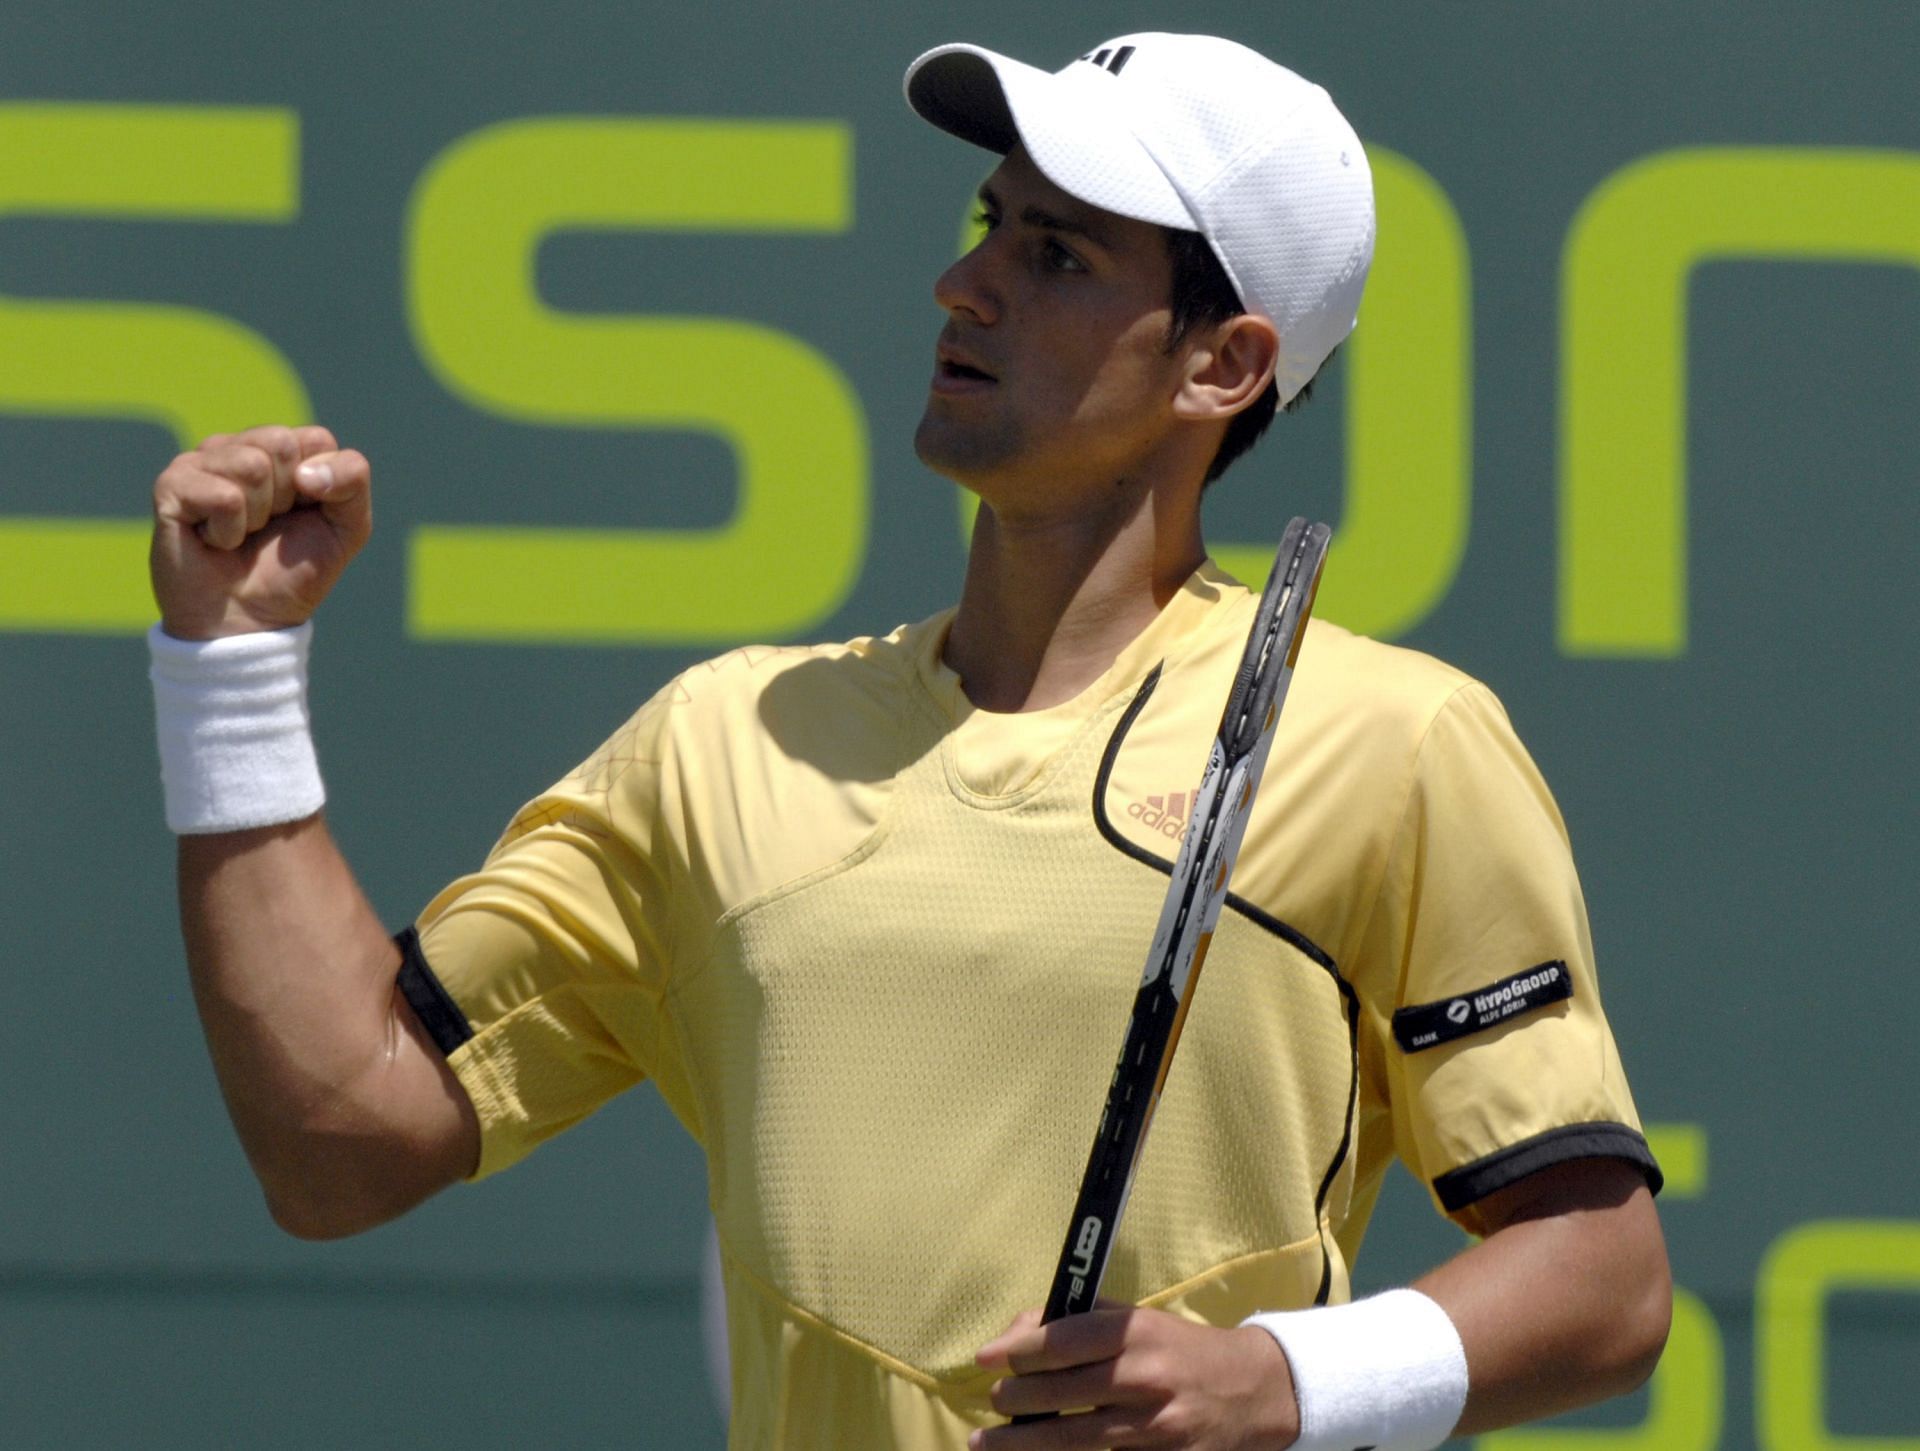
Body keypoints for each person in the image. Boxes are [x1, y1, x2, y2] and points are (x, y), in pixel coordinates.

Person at [147, 31, 1670, 1451]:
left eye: (1057, 254)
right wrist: (230, 672)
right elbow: (340, 1142)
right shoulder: (719, 742)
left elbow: (1603, 1281)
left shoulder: (1398, 745)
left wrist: (1275, 1380)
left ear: (1222, 366)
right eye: (988, 224)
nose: (966, 284)